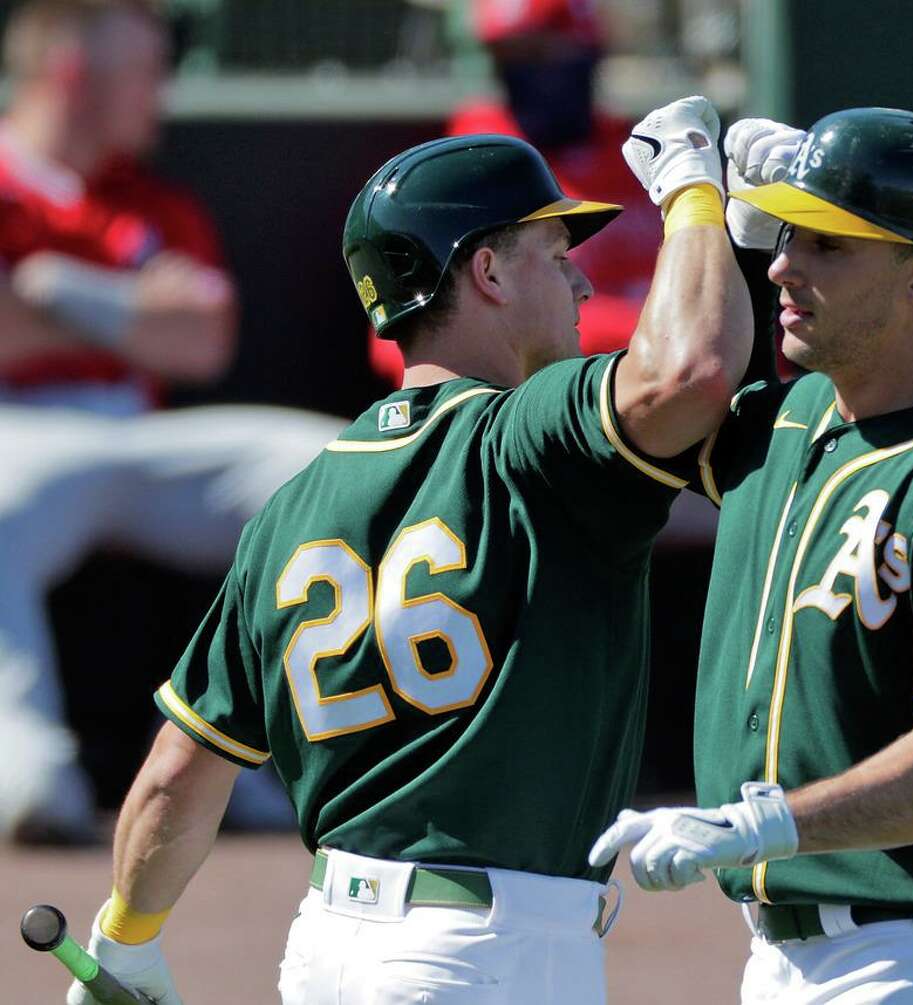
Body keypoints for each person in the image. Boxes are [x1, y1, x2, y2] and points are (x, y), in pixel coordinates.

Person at [66, 97, 753, 1005]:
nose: (582, 285)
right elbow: (690, 369)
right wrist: (696, 193)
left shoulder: (292, 505)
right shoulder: (534, 439)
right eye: (556, 255)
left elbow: (176, 775)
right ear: (488, 272)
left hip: (328, 949)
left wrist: (124, 941)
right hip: (481, 953)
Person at [591, 108, 913, 1003]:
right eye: (783, 237)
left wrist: (764, 823)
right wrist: (727, 244)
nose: (783, 265)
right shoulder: (794, 421)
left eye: (828, 246)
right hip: (787, 961)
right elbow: (684, 377)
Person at [0, 0, 344, 844]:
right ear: (73, 69)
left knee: (325, 469)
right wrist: (130, 312)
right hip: (17, 427)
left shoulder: (146, 198)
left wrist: (55, 288)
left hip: (137, 431)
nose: (161, 94)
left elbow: (201, 339)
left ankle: (292, 759)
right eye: (144, 71)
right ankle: (25, 766)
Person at [368, 0, 660, 388]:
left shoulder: (640, 145)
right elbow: (395, 341)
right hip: (546, 404)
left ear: (586, 47)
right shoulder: (475, 159)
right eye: (510, 57)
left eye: (543, 51)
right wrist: (653, 329)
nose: (526, 71)